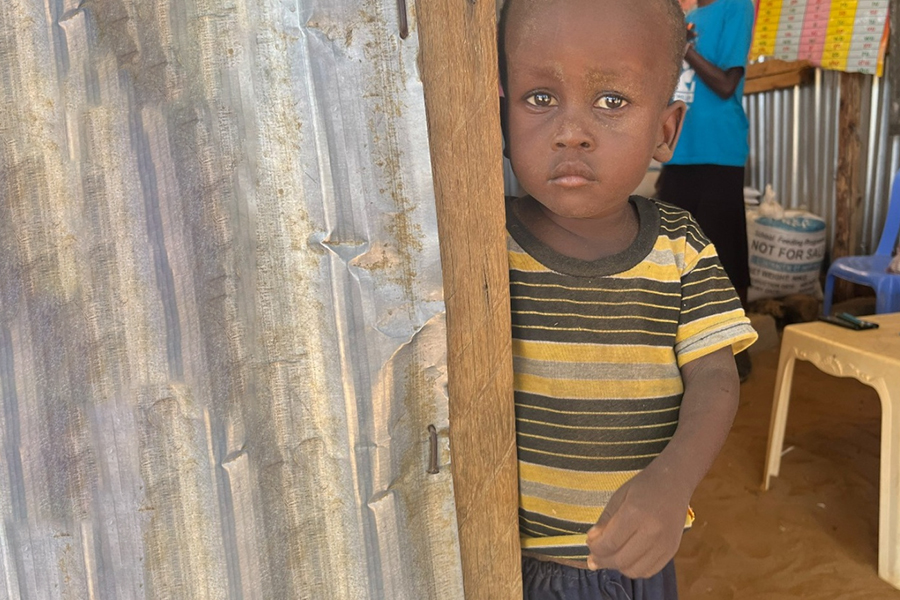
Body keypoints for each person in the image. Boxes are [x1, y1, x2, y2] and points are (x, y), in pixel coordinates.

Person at [497, 0, 758, 598]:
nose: (571, 131)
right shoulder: (483, 250)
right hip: (503, 561)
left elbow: (717, 377)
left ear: (665, 131)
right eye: (539, 97)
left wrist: (674, 482)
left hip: (629, 565)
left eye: (612, 101)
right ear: (500, 117)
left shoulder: (680, 248)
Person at [655, 0, 756, 381]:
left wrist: (685, 49)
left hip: (719, 152)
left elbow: (726, 84)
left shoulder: (736, 7)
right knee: (677, 258)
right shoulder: (684, 17)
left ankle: (736, 353)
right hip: (677, 153)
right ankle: (687, 351)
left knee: (725, 253)